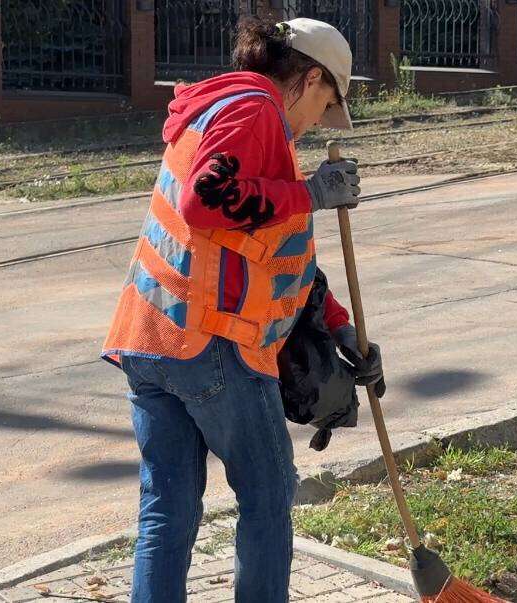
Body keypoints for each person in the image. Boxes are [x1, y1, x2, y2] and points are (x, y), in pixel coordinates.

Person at [100, 17, 384, 603]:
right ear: (307, 79)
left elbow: (275, 249)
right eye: (325, 102)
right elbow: (208, 201)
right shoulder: (256, 111)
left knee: (168, 508)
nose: (315, 124)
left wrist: (337, 323)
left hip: (150, 339)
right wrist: (311, 194)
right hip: (212, 345)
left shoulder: (215, 109)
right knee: (269, 492)